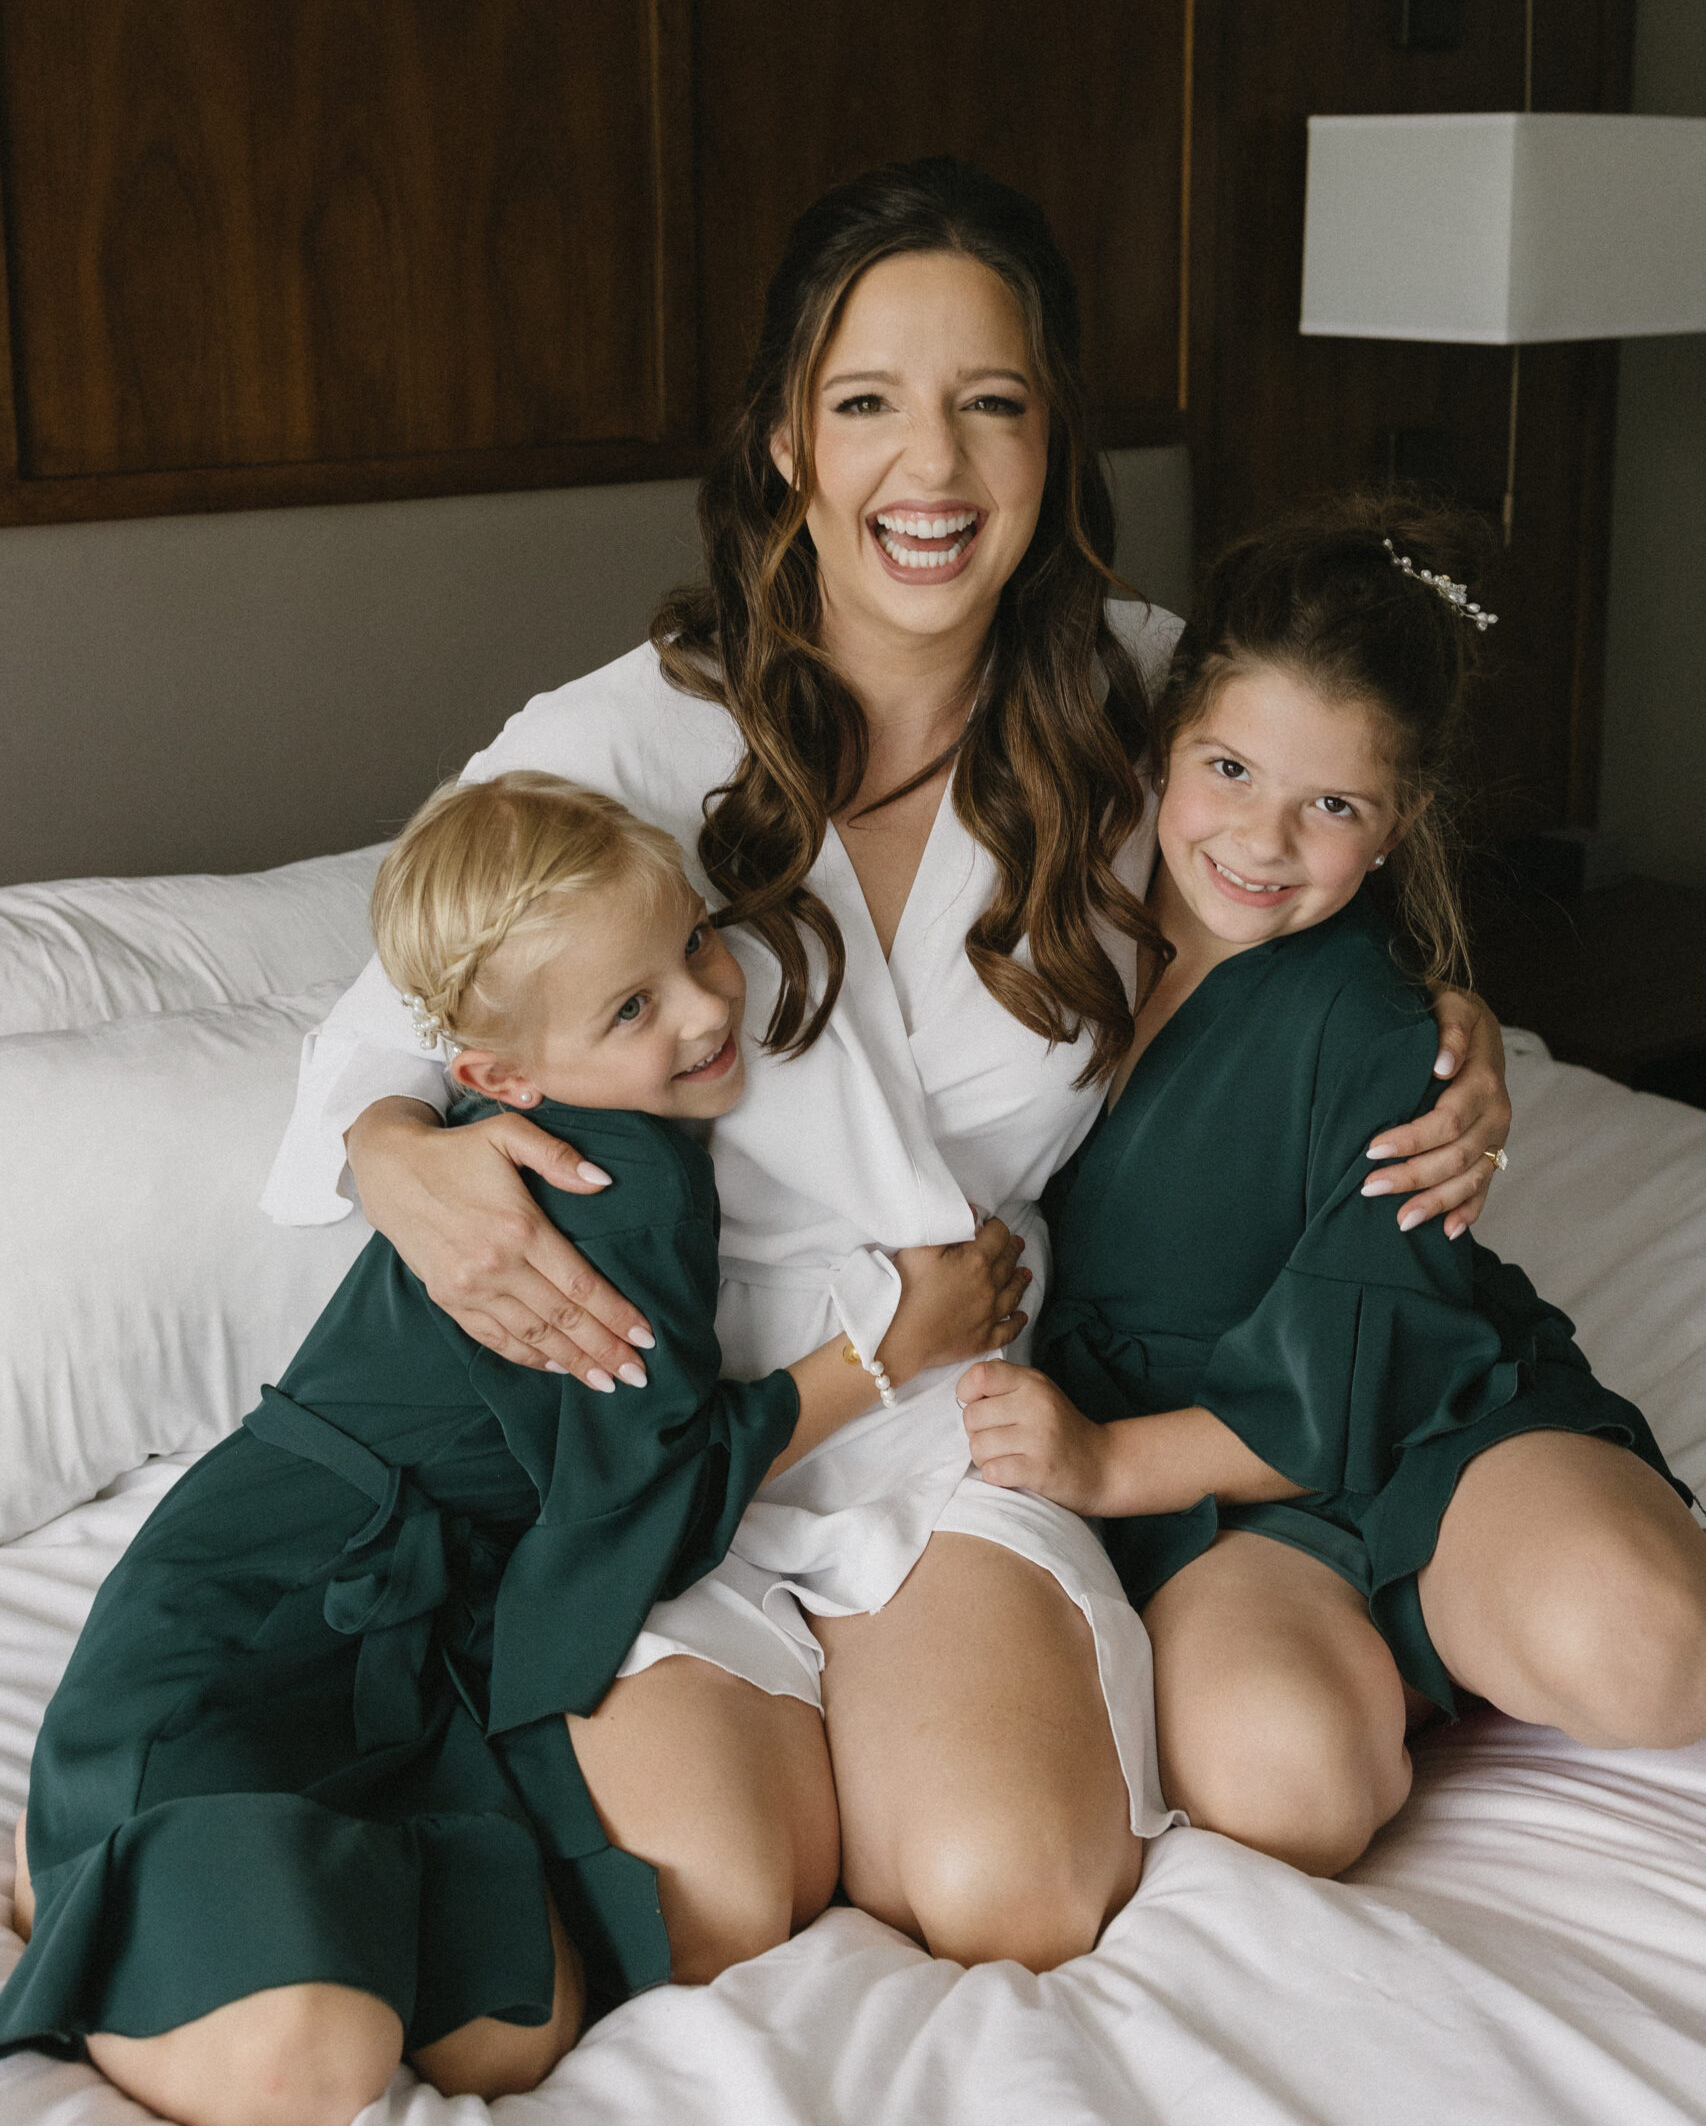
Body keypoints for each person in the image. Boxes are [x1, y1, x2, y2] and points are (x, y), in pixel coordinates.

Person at [263, 159, 1515, 1973]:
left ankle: (891, 1737)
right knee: (704, 1899)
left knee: (1012, 1890)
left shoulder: (1142, 708)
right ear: (787, 439)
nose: (929, 471)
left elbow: (1327, 833)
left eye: (988, 406)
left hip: (950, 1411)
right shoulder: (619, 740)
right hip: (670, 1423)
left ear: (1051, 438)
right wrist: (396, 1146)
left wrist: (1459, 1028)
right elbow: (368, 1047)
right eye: (867, 405)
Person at [2, 775, 1023, 2126]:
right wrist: (890, 1348)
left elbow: (612, 1465)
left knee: (512, 2035)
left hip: (421, 1620)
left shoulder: (621, 1138)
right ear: (494, 1077)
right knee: (309, 2067)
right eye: (632, 1007)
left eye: (695, 949)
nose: (709, 1009)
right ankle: (78, 1870)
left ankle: (129, 1881)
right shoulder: (616, 1178)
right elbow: (649, 1494)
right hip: (266, 1603)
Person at [958, 502, 1706, 1879]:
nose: (1262, 839)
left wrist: (1099, 1463)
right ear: (1160, 743)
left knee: (1656, 1656)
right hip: (1219, 1490)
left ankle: (1458, 1598)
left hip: (1405, 1403)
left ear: (1395, 823)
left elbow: (1342, 1380)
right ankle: (1399, 1655)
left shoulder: (1373, 1029)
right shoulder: (1044, 919)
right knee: (1288, 1790)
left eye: (1332, 806)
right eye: (1229, 769)